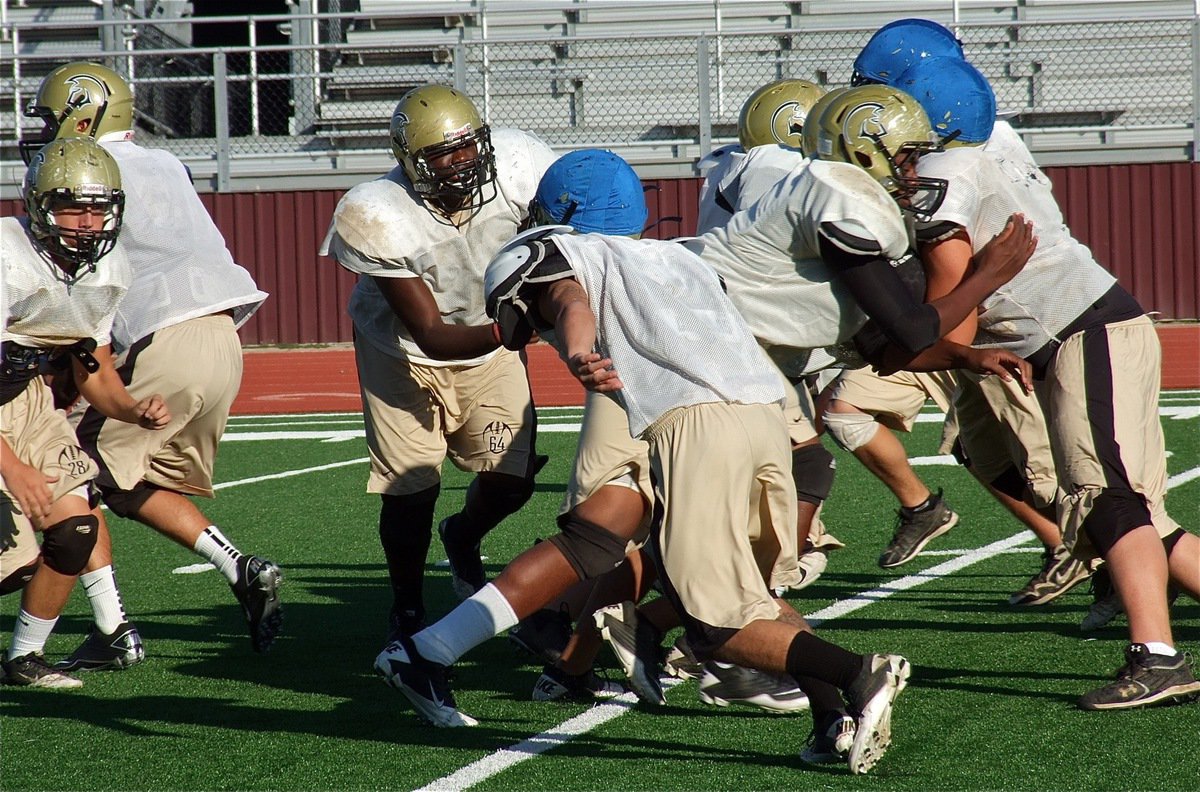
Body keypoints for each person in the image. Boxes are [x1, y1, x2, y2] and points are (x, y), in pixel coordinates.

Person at [479, 148, 917, 775]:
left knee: (709, 617)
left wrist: (578, 354)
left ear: (565, 212)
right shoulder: (681, 255)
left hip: (695, 425)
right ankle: (827, 720)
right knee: (750, 593)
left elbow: (572, 303)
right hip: (766, 412)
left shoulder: (582, 259)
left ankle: (856, 674)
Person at [373, 151, 809, 725]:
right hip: (656, 401)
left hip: (689, 401)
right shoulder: (606, 252)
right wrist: (582, 352)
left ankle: (481, 652)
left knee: (615, 540)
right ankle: (756, 659)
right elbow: (568, 299)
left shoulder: (659, 256)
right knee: (607, 539)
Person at [902, 57, 1200, 710]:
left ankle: (1158, 658)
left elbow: (950, 317)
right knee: (1132, 510)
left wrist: (889, 325)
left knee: (1107, 496)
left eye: (883, 97)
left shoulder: (939, 175)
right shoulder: (980, 147)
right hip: (1082, 327)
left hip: (1077, 331)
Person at [20, 62, 280, 665]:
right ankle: (236, 566)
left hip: (166, 338)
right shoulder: (165, 162)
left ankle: (115, 631)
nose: (46, 129)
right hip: (222, 336)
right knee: (128, 482)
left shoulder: (91, 175)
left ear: (80, 115)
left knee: (70, 479)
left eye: (50, 115)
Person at [320, 85, 558, 652]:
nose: (461, 163)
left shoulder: (522, 164)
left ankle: (464, 534)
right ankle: (406, 608)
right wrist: (513, 331)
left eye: (468, 148)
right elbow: (430, 332)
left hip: (489, 333)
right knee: (410, 488)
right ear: (409, 163)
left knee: (511, 479)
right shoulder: (376, 209)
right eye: (441, 156)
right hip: (401, 350)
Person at [2, 138, 169, 687]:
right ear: (38, 205)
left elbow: (90, 365)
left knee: (73, 529)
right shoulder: (7, 258)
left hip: (28, 399)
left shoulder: (107, 268)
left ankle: (23, 658)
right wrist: (14, 467)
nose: (88, 222)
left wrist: (130, 408)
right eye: (73, 207)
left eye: (99, 208)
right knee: (13, 563)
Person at [694, 78, 845, 590]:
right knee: (799, 466)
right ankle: (759, 586)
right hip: (750, 343)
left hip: (730, 335)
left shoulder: (728, 163)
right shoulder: (775, 168)